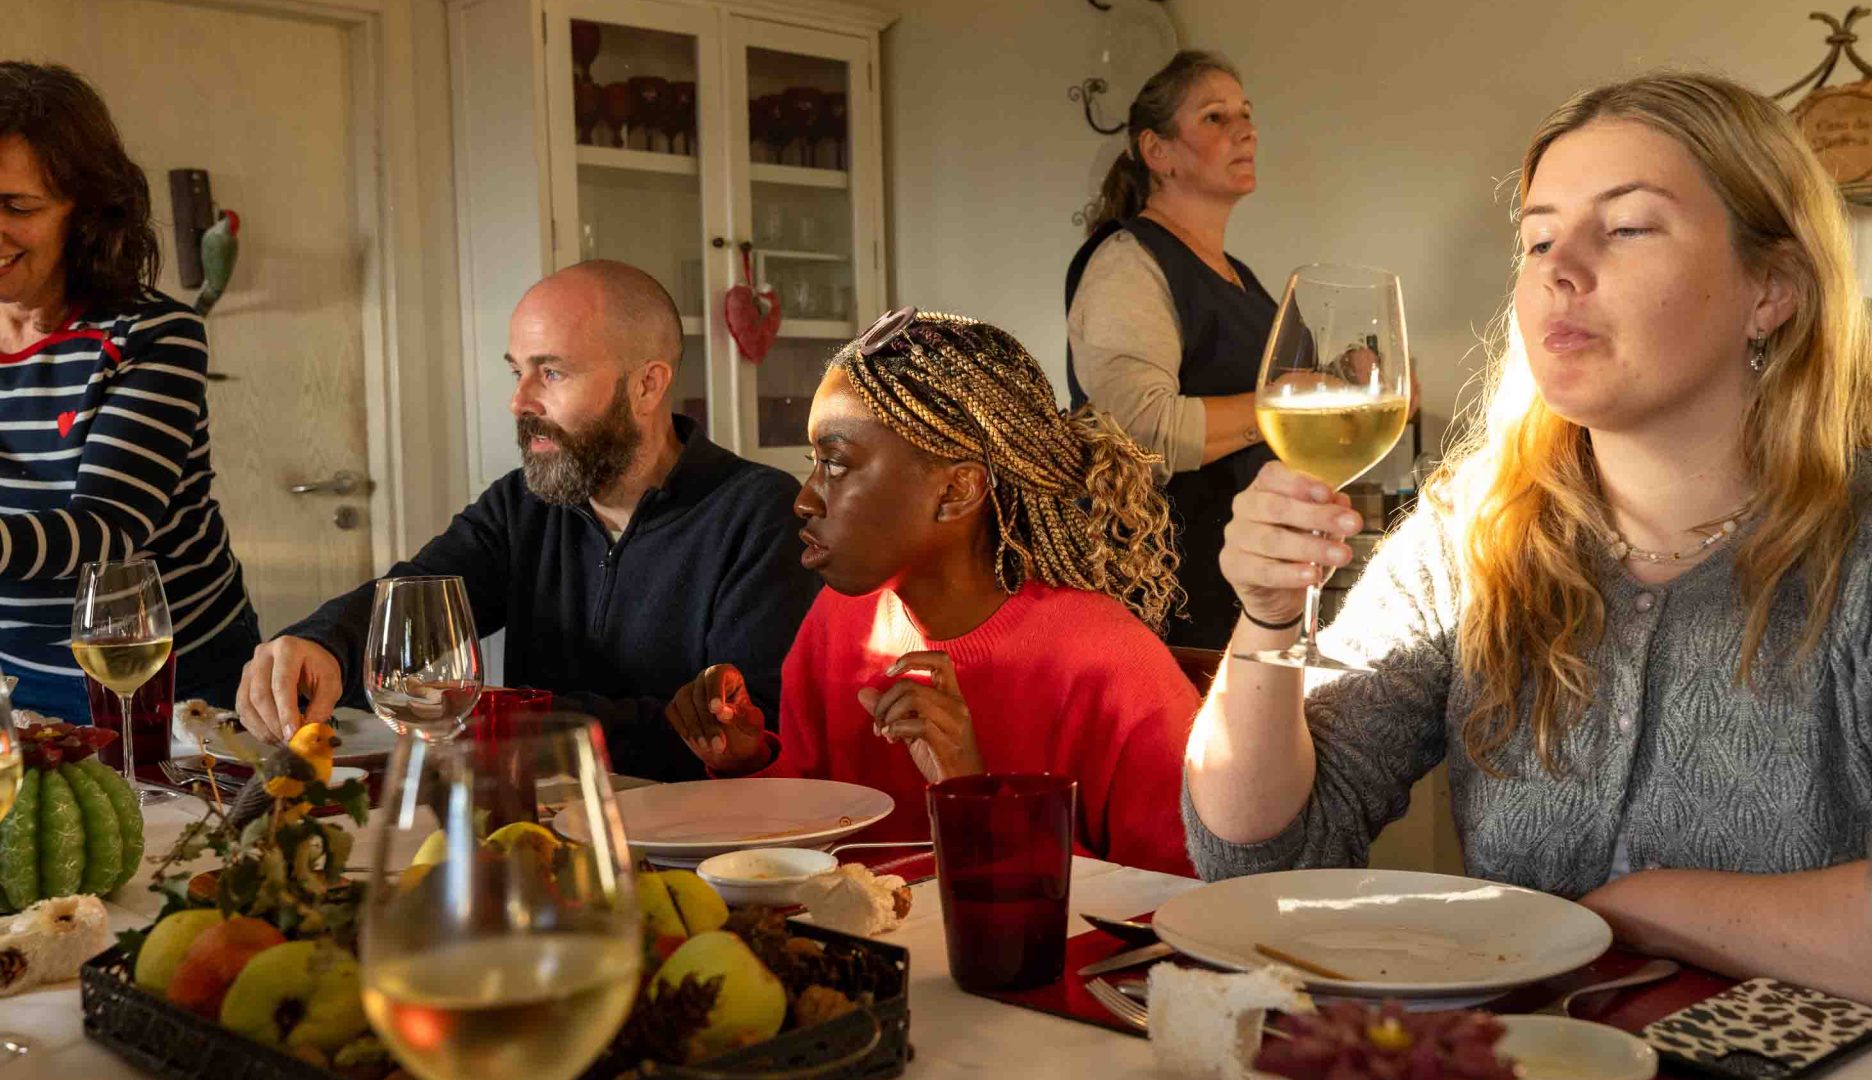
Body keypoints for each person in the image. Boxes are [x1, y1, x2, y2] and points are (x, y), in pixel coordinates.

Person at [1184, 72, 1872, 1022]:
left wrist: (1646, 910)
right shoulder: (1471, 535)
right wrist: (1269, 619)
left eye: (1626, 227)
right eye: (1537, 238)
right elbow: (1263, 856)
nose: (1558, 269)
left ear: (1770, 289)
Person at [235, 261, 819, 780]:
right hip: (533, 831)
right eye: (517, 371)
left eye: (553, 373)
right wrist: (320, 644)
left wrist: (501, 716)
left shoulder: (759, 514)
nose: (520, 402)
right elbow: (418, 596)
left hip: (697, 849)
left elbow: (747, 730)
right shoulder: (524, 504)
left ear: (647, 385)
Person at [666, 310, 1199, 876]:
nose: (805, 500)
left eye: (837, 465)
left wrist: (972, 791)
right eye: (812, 463)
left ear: (956, 491)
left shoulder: (1113, 669)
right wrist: (748, 760)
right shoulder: (839, 620)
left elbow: (1175, 903)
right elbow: (810, 826)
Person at [0, 62, 260, 721]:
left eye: (17, 206)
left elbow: (108, 533)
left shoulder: (152, 334)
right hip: (13, 683)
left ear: (85, 214)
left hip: (164, 678)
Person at [1065, 51, 1279, 650]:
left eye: (1246, 114)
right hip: (1172, 596)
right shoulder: (1128, 264)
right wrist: (1290, 404)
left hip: (1251, 582)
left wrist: (1345, 380)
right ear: (1157, 152)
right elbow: (1143, 434)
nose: (1245, 130)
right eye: (1215, 117)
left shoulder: (1240, 275)